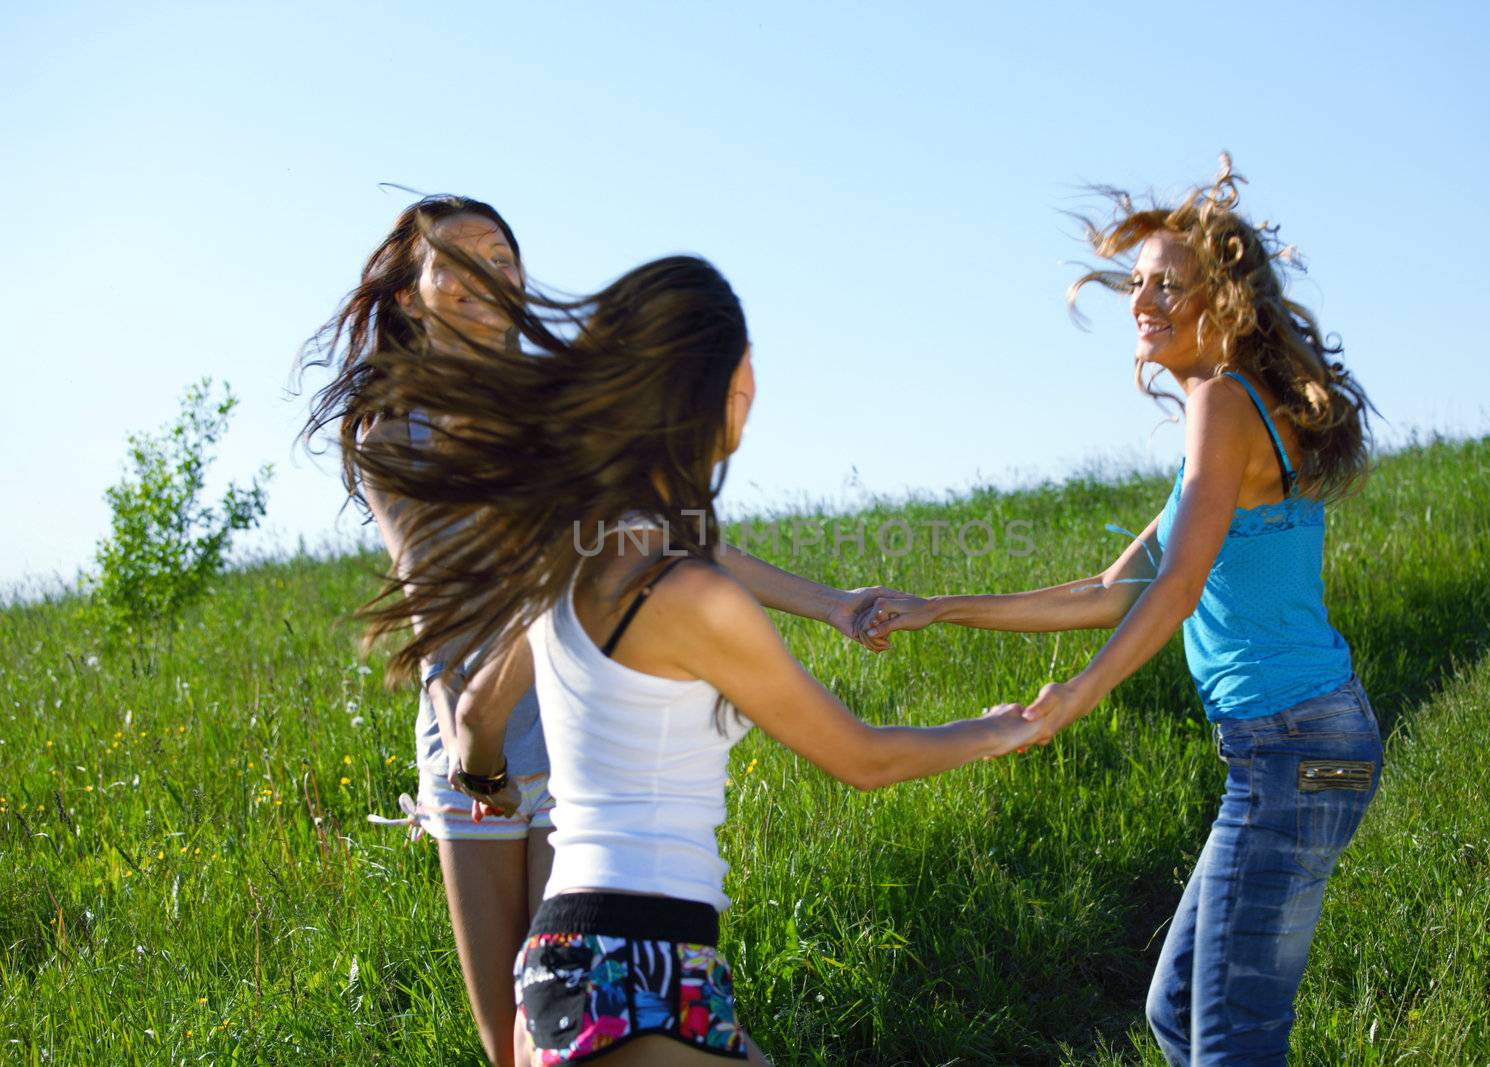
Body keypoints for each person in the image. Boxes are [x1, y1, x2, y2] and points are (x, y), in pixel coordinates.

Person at [349, 252, 1045, 1066]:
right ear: (729, 385)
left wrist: (488, 789)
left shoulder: (569, 559)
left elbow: (474, 719)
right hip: (632, 968)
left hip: (598, 968)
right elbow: (864, 758)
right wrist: (997, 730)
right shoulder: (692, 599)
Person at [299, 199, 897, 1066]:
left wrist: (833, 602)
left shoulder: (563, 412)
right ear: (410, 293)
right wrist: (465, 731)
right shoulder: (394, 432)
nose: (484, 274)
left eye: (502, 257)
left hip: (577, 723)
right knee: (514, 1048)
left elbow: (669, 533)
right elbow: (430, 586)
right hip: (467, 728)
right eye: (455, 260)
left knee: (577, 1027)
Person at [862, 156, 1381, 1065]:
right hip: (1304, 741)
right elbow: (1112, 591)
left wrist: (1082, 696)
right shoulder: (1227, 422)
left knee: (1230, 1035)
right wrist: (937, 606)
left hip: (1291, 744)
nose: (1142, 300)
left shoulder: (1222, 404)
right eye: (1136, 282)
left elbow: (1177, 590)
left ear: (1221, 301)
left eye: (1168, 285)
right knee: (1182, 1012)